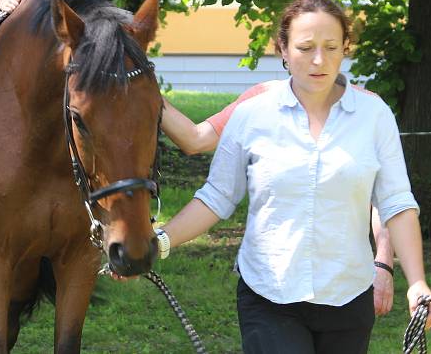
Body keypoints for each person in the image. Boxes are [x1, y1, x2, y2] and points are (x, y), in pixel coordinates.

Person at [157, 0, 431, 353]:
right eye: (305, 47)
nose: (319, 60)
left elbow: (397, 203)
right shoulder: (253, 114)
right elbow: (217, 197)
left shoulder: (375, 115)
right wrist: (159, 242)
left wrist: (417, 282)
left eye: (331, 47)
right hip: (269, 297)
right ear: (283, 50)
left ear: (345, 49)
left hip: (349, 297)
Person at [162, 80, 397, 316]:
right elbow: (196, 140)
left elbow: (386, 198)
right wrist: (139, 81)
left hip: (346, 293)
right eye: (304, 47)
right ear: (284, 50)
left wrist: (383, 264)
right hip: (269, 290)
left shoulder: (370, 108)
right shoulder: (258, 102)